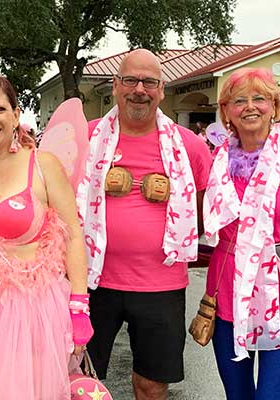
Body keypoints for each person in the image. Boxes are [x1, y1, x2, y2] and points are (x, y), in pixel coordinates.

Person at [0, 75, 92, 399]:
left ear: (16, 114)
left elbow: (72, 236)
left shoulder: (42, 165)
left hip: (30, 313)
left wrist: (79, 307)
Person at [78, 49, 212, 400]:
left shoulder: (190, 147)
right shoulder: (85, 138)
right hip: (91, 280)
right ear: (116, 86)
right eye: (131, 80)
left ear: (162, 89)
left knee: (151, 384)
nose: (140, 89)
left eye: (149, 82)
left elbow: (207, 206)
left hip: (162, 285)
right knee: (79, 378)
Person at [202, 67, 280, 399]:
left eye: (260, 98)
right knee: (237, 395)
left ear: (275, 106)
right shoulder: (217, 162)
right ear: (226, 111)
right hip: (227, 293)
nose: (250, 106)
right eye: (239, 100)